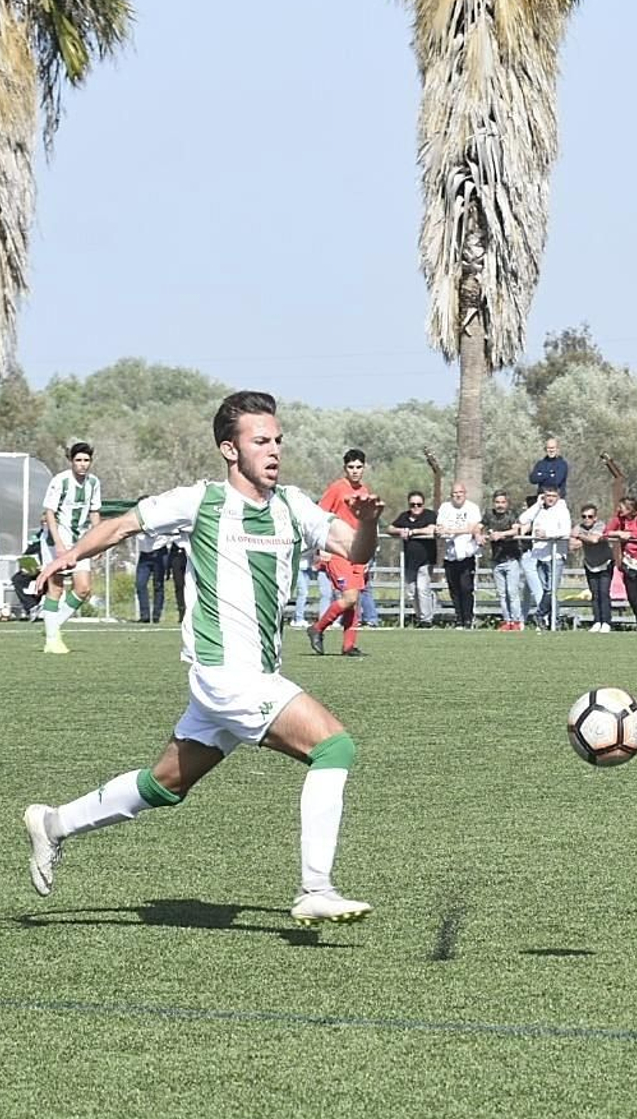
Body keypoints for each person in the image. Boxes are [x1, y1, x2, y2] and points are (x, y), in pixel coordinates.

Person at [21, 390, 380, 925]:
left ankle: (53, 823)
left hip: (251, 677)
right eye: (261, 441)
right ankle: (315, 888)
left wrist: (369, 521)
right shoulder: (202, 501)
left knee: (163, 785)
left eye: (277, 440)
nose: (274, 449)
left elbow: (355, 551)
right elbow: (123, 525)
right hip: (225, 675)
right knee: (335, 747)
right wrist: (69, 555)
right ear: (229, 450)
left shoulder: (293, 506)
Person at [309, 449, 373, 657]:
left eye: (359, 467)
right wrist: (321, 548)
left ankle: (348, 646)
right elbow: (319, 516)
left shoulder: (365, 491)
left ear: (364, 467)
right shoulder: (337, 489)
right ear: (345, 468)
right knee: (350, 596)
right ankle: (317, 628)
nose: (355, 471)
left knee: (356, 602)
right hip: (337, 550)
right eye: (351, 467)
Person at [40, 442, 103, 652]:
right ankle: (51, 640)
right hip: (55, 541)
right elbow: (49, 512)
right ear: (71, 461)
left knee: (83, 588)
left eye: (86, 460)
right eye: (78, 460)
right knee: (56, 587)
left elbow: (95, 512)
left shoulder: (94, 483)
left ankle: (53, 625)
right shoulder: (61, 481)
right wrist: (58, 544)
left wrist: (99, 540)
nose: (83, 464)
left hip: (80, 541)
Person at [519, 484, 571, 629]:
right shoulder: (539, 509)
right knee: (545, 591)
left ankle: (541, 614)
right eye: (548, 496)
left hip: (555, 555)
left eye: (553, 496)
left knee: (551, 590)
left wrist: (547, 535)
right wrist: (537, 504)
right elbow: (523, 519)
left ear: (558, 497)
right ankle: (555, 619)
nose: (550, 499)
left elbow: (565, 531)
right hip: (540, 555)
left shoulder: (562, 510)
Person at [606, 496, 637, 631]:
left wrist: (630, 535)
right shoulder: (619, 518)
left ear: (629, 509)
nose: (619, 510)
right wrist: (618, 533)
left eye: (621, 508)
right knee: (632, 596)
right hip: (629, 561)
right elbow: (607, 532)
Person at [436, 483, 482, 629]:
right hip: (450, 555)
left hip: (467, 554)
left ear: (465, 493)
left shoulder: (472, 508)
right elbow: (440, 529)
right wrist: (457, 530)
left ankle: (468, 618)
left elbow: (473, 527)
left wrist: (452, 530)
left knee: (466, 588)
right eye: (455, 493)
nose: (458, 495)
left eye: (460, 492)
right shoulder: (445, 508)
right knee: (454, 589)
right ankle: (459, 619)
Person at [388, 492, 437, 626]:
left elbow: (431, 529)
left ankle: (427, 619)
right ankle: (420, 616)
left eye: (419, 504)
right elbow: (390, 528)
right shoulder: (404, 516)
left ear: (423, 504)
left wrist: (412, 532)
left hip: (426, 559)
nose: (416, 507)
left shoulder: (429, 515)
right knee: (411, 591)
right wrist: (400, 531)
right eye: (413, 504)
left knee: (422, 588)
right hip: (410, 561)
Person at [483, 490, 526, 630]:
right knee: (501, 594)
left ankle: (517, 621)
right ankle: (507, 621)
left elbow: (515, 530)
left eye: (502, 502)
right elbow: (479, 527)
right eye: (497, 502)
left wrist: (500, 535)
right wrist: (479, 535)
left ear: (507, 503)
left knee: (512, 592)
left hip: (511, 558)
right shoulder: (489, 515)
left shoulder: (512, 515)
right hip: (496, 559)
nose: (500, 505)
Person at [572, 503, 615, 631]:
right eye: (584, 516)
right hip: (590, 564)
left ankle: (606, 622)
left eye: (590, 516)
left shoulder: (600, 525)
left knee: (603, 593)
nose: (587, 519)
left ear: (595, 518)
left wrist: (580, 536)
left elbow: (594, 540)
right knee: (594, 594)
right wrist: (579, 538)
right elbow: (572, 544)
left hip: (605, 563)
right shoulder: (579, 527)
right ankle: (597, 621)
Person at [134, 527, 175, 623]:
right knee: (140, 584)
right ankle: (145, 615)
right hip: (144, 553)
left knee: (158, 585)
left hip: (160, 552)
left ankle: (156, 615)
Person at [529, 436, 569, 500]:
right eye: (548, 448)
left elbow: (556, 481)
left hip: (557, 500)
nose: (551, 450)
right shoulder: (540, 464)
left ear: (557, 449)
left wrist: (541, 474)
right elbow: (533, 479)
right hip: (542, 499)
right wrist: (549, 474)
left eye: (553, 448)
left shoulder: (562, 464)